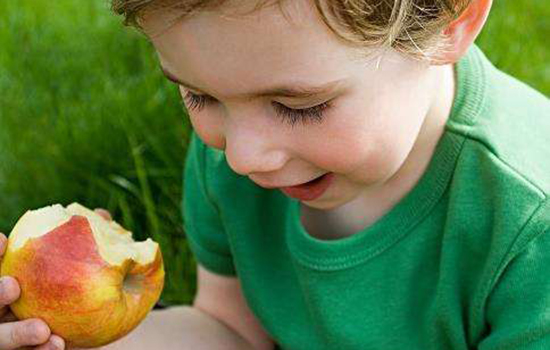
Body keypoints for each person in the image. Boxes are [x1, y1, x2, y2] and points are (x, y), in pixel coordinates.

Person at [1, 0, 549, 348]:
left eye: (299, 106)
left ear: (452, 22)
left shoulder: (529, 230)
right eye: (199, 95)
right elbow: (232, 330)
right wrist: (66, 335)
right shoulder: (235, 153)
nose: (241, 157)